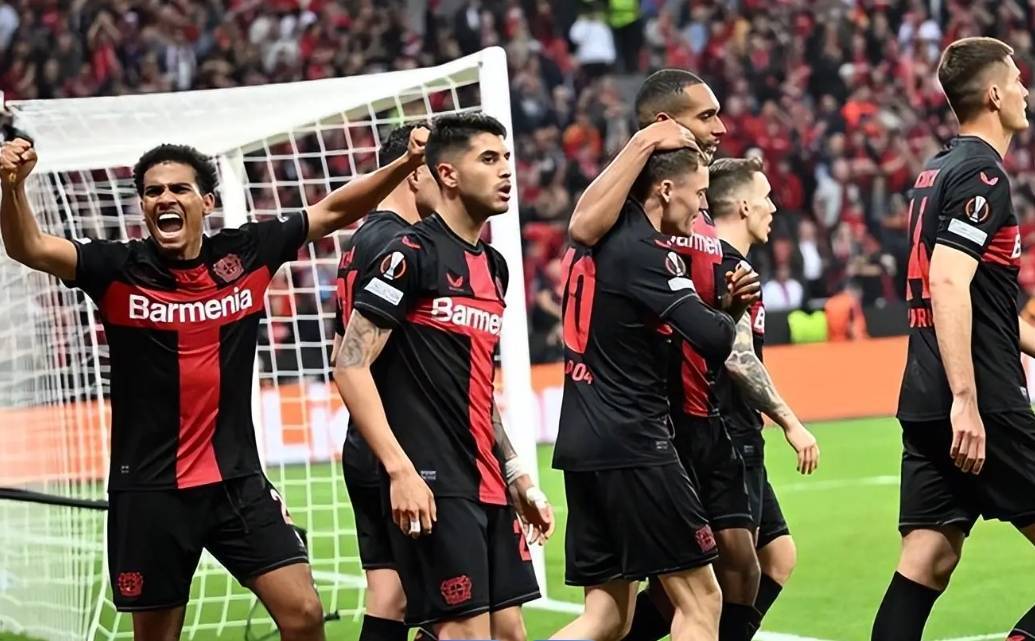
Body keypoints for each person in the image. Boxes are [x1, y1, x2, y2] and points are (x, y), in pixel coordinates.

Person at [0, 127, 428, 641]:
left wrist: (405, 164)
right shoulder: (115, 267)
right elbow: (28, 247)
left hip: (236, 483)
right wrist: (12, 187)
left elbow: (332, 211)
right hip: (151, 492)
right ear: (143, 207)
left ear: (206, 202)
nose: (164, 198)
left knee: (303, 613)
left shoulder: (247, 253)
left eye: (178, 188)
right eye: (153, 192)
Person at [334, 112, 554, 641]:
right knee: (462, 632)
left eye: (506, 158)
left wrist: (516, 473)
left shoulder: (494, 266)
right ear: (447, 174)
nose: (506, 170)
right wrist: (400, 471)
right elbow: (350, 363)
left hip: (485, 475)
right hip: (433, 477)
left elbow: (474, 381)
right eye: (489, 159)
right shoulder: (409, 253)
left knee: (509, 632)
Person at [566, 69, 767, 641]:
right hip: (642, 436)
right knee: (704, 597)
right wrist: (728, 311)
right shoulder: (634, 237)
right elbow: (711, 335)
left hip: (590, 433)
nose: (721, 128)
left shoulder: (633, 225)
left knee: (608, 617)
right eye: (707, 116)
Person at [873, 37, 1035, 641]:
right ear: (993, 94)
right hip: (980, 400)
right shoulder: (982, 174)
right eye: (1016, 80)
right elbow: (946, 280)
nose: (1024, 90)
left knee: (928, 559)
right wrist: (966, 399)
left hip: (924, 396)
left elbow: (984, 303)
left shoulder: (936, 170)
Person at [330, 123, 439, 641]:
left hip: (363, 440)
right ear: (415, 174)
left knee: (390, 597)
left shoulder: (360, 241)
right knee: (462, 604)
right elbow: (351, 358)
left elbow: (344, 346)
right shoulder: (403, 245)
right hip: (405, 440)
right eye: (441, 169)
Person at [709, 156, 820, 633]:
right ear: (742, 205)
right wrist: (791, 422)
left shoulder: (732, 265)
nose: (773, 207)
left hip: (738, 432)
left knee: (777, 556)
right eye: (766, 197)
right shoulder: (726, 267)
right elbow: (738, 359)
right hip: (726, 434)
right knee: (732, 578)